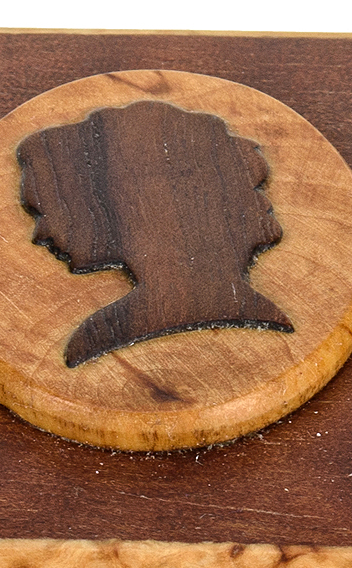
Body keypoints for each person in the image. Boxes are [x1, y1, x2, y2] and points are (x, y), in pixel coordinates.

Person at [17, 98, 293, 367]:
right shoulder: (265, 311)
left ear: (126, 208)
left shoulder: (98, 338)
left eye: (45, 212)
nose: (40, 233)